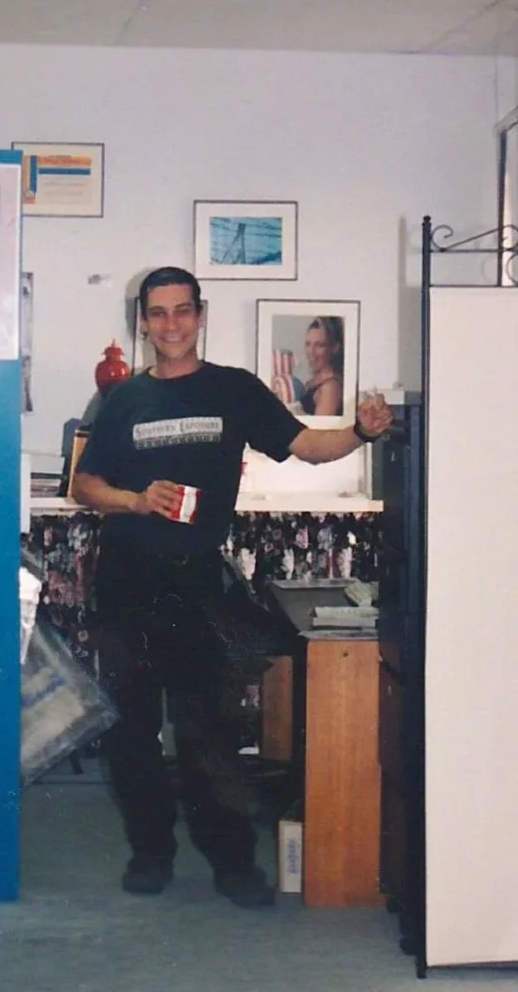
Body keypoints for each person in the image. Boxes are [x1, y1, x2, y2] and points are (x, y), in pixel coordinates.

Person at [71, 266, 392, 908]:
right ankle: (151, 853)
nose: (170, 324)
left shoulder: (234, 390)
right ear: (143, 321)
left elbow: (307, 445)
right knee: (133, 729)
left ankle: (233, 862)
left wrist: (360, 432)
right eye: (158, 313)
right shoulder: (123, 399)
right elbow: (83, 485)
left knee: (211, 728)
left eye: (182, 311)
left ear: (200, 315)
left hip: (195, 580)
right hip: (128, 577)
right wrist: (134, 500)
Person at [299, 316, 344, 416]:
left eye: (320, 345)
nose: (311, 352)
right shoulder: (314, 382)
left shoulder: (330, 387)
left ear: (335, 348)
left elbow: (320, 431)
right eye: (308, 344)